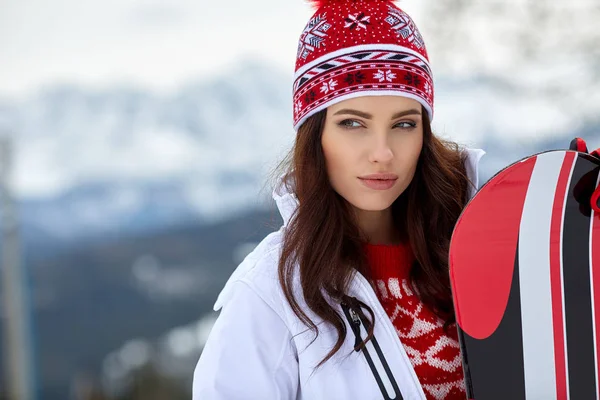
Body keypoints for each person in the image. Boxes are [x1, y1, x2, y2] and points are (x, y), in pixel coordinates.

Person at [193, 0, 485, 398]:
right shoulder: (271, 292)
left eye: (403, 124)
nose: (382, 152)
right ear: (315, 135)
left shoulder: (476, 249)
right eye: (352, 123)